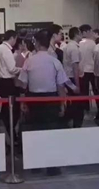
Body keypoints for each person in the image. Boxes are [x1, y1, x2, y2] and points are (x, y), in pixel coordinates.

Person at [18, 29, 69, 176]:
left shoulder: (29, 61)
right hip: (51, 100)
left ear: (37, 44)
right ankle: (52, 166)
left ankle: (35, 164)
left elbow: (22, 84)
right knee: (51, 133)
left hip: (33, 100)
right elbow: (60, 85)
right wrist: (62, 103)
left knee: (34, 132)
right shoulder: (54, 61)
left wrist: (23, 102)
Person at [0, 30, 20, 139]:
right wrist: (24, 69)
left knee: (5, 110)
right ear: (12, 38)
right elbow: (12, 69)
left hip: (1, 82)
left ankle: (7, 136)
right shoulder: (7, 50)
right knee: (12, 111)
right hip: (8, 83)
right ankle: (11, 135)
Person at [63, 27, 83, 128]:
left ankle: (67, 121)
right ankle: (76, 125)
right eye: (80, 33)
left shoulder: (67, 46)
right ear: (76, 34)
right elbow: (75, 67)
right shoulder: (74, 48)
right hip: (73, 78)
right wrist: (77, 84)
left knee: (73, 103)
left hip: (68, 78)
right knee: (77, 105)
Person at [79, 24, 98, 110]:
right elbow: (95, 56)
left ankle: (86, 109)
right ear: (85, 32)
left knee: (84, 91)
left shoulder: (79, 43)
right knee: (96, 90)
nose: (91, 33)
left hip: (82, 70)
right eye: (90, 31)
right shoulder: (92, 43)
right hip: (92, 70)